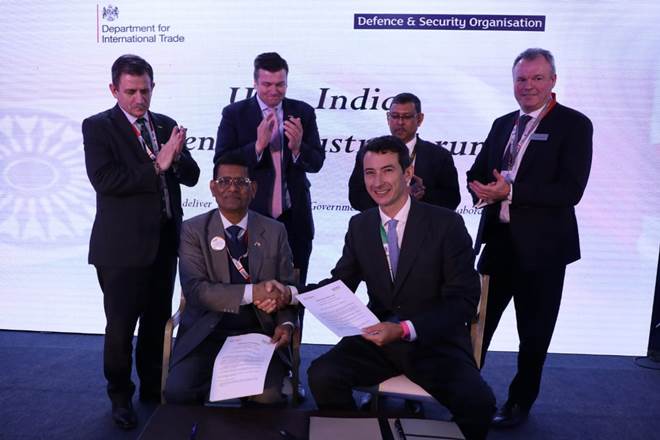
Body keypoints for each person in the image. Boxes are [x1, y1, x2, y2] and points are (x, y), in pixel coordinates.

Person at [306, 136, 495, 440]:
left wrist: (406, 329)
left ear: (407, 174)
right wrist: (291, 293)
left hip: (434, 341)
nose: (378, 182)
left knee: (479, 404)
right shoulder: (360, 225)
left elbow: (463, 300)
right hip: (379, 339)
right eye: (370, 172)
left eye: (388, 170)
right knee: (321, 375)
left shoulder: (446, 224)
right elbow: (340, 283)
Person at [466, 48, 593, 428]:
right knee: (476, 327)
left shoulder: (574, 124)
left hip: (544, 251)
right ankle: (467, 394)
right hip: (498, 243)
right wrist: (479, 188)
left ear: (553, 80)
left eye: (537, 78)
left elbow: (570, 190)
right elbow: (477, 171)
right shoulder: (502, 123)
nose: (529, 86)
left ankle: (519, 404)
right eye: (521, 79)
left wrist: (511, 191)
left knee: (534, 334)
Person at [83, 54, 200, 429]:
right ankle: (120, 397)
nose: (139, 99)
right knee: (120, 328)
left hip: (164, 243)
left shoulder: (164, 124)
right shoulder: (98, 127)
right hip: (121, 250)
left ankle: (153, 386)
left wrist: (176, 158)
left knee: (156, 322)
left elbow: (193, 176)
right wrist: (156, 165)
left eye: (145, 91)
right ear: (114, 90)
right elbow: (106, 180)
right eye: (131, 91)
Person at [163, 152, 298, 405]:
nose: (232, 188)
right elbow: (196, 291)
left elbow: (289, 288)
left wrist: (287, 324)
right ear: (213, 188)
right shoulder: (193, 230)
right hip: (206, 334)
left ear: (253, 189)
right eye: (224, 181)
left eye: (241, 182)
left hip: (260, 335)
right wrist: (254, 292)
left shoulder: (275, 230)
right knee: (178, 391)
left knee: (269, 397)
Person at [214, 52, 324, 285]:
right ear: (255, 83)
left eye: (280, 84)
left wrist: (298, 148)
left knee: (293, 291)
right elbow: (221, 161)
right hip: (250, 218)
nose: (274, 90)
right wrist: (257, 146)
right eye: (267, 85)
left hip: (295, 220)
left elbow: (316, 163)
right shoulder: (234, 114)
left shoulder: (303, 112)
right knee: (253, 289)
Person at [348, 92, 460, 211]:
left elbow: (452, 200)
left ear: (419, 119)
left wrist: (422, 196)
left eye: (407, 117)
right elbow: (356, 197)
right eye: (395, 116)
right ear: (388, 118)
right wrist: (394, 199)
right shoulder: (369, 153)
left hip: (425, 221)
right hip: (380, 221)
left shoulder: (439, 156)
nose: (400, 122)